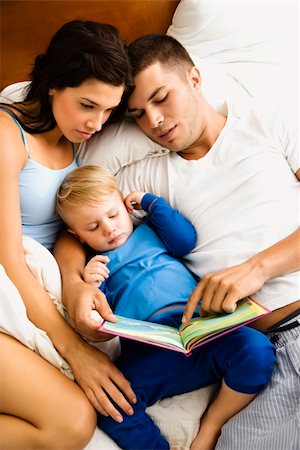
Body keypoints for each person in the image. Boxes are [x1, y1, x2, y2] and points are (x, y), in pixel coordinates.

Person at [54, 33, 300, 450]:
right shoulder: (143, 181)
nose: (153, 121)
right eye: (137, 114)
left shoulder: (271, 120)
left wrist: (256, 269)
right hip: (256, 348)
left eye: (162, 98)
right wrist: (75, 285)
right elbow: (78, 227)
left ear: (195, 78)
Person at [55, 164, 275, 450]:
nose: (109, 229)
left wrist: (151, 203)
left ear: (124, 204)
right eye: (93, 227)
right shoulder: (96, 266)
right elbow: (103, 325)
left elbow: (185, 240)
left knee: (257, 349)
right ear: (77, 236)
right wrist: (93, 283)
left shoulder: (150, 229)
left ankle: (212, 424)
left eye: (113, 215)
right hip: (154, 351)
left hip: (201, 330)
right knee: (109, 404)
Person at [0, 20, 139, 449]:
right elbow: (9, 258)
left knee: (75, 422)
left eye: (109, 110)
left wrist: (76, 284)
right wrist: (75, 354)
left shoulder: (75, 145)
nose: (98, 123)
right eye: (88, 105)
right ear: (54, 84)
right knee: (73, 422)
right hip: (8, 281)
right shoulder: (7, 136)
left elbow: (67, 231)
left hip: (35, 284)